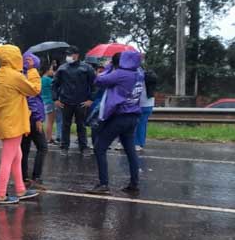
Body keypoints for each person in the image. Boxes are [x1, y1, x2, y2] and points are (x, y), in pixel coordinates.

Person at [0, 45, 42, 205]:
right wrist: (32, 72)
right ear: (14, 57)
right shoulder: (15, 76)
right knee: (8, 159)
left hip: (2, 121)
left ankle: (20, 189)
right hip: (14, 122)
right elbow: (34, 90)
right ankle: (1, 195)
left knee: (17, 156)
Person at [90, 50, 145, 195]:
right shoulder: (139, 73)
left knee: (100, 148)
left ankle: (103, 184)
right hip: (133, 117)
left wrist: (108, 67)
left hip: (119, 116)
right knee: (130, 151)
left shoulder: (120, 74)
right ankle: (134, 183)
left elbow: (98, 80)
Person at [53, 46, 95, 155]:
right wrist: (55, 99)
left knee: (81, 125)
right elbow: (54, 84)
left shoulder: (87, 68)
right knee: (65, 125)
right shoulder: (62, 68)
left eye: (71, 54)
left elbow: (94, 85)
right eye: (67, 54)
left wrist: (91, 99)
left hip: (81, 102)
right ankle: (64, 147)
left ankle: (84, 147)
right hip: (65, 102)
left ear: (77, 55)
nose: (69, 56)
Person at [20, 52, 47, 188]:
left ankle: (24, 177)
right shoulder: (32, 73)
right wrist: (37, 118)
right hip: (32, 117)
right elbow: (32, 97)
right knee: (42, 147)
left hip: (23, 116)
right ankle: (36, 177)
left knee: (24, 148)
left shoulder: (21, 74)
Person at [135, 67, 157, 151]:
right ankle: (139, 143)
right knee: (141, 124)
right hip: (148, 103)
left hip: (141, 104)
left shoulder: (139, 77)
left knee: (138, 124)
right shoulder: (150, 77)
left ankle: (137, 143)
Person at [41, 64, 56, 144]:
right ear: (47, 70)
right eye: (51, 69)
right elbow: (56, 85)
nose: (52, 71)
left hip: (43, 101)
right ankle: (48, 138)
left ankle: (48, 137)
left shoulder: (41, 79)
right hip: (50, 101)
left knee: (48, 121)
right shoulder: (49, 80)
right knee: (50, 121)